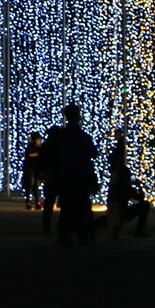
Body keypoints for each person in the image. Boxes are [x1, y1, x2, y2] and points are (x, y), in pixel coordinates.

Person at [54, 103, 98, 246]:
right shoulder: (82, 136)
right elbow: (93, 153)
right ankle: (82, 235)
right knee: (82, 205)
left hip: (66, 175)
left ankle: (65, 235)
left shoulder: (62, 136)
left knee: (68, 206)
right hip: (80, 175)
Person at [105, 128, 150, 238]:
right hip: (123, 214)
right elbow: (141, 198)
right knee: (145, 205)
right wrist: (138, 184)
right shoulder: (126, 188)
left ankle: (111, 225)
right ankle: (140, 229)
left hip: (113, 215)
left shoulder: (114, 187)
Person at [38, 127, 60, 236]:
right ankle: (61, 227)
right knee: (64, 202)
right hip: (60, 176)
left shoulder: (45, 146)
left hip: (50, 177)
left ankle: (46, 227)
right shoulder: (60, 146)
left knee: (49, 203)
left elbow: (41, 161)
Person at [23, 131, 44, 210]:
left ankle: (37, 202)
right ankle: (28, 202)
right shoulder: (31, 146)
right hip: (31, 168)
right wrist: (38, 154)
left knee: (36, 186)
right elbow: (29, 154)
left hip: (36, 168)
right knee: (30, 185)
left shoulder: (38, 146)